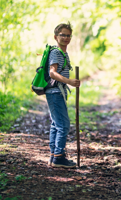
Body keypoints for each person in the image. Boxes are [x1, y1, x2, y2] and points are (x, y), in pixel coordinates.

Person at [46, 22, 80, 168]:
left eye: (68, 35)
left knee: (56, 124)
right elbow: (52, 73)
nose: (66, 38)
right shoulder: (56, 52)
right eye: (63, 35)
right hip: (54, 91)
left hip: (57, 92)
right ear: (55, 37)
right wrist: (69, 81)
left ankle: (54, 155)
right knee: (63, 125)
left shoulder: (63, 53)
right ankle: (59, 157)